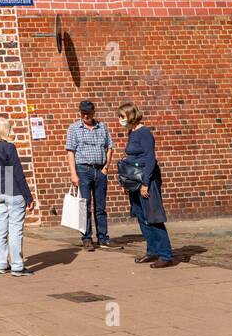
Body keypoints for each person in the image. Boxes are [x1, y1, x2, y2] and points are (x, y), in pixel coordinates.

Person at [119, 103, 174, 268]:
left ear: (131, 115)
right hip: (133, 180)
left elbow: (150, 159)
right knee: (142, 217)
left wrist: (146, 183)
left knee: (153, 217)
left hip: (146, 179)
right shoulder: (132, 131)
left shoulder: (144, 133)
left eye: (122, 116)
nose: (120, 119)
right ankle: (152, 251)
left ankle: (165, 254)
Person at [0, 115, 34, 276]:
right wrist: (28, 196)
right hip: (13, 192)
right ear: (3, 131)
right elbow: (18, 173)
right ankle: (17, 266)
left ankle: (2, 263)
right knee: (15, 229)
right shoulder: (9, 148)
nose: (11, 131)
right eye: (9, 128)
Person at [66, 99, 113, 251]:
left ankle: (103, 238)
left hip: (100, 170)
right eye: (83, 113)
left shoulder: (102, 127)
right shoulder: (74, 128)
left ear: (94, 112)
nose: (86, 116)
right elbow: (70, 152)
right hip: (83, 170)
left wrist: (106, 167)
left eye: (89, 113)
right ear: (80, 113)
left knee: (101, 207)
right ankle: (87, 238)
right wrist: (73, 174)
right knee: (84, 206)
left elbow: (109, 147)